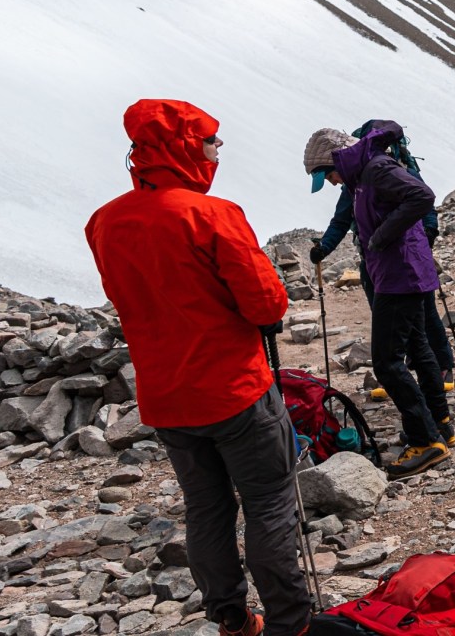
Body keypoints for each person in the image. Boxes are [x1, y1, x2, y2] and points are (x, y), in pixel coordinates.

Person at [86, 100, 307, 636]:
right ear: (183, 147)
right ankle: (291, 623)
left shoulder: (105, 222)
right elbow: (266, 306)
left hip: (167, 398)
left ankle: (231, 617)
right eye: (210, 139)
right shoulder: (213, 215)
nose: (218, 147)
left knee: (206, 507)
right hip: (235, 389)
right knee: (269, 502)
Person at [304, 124, 453, 478]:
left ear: (336, 160)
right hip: (401, 272)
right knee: (416, 345)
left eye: (327, 175)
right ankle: (439, 425)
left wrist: (383, 236)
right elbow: (346, 218)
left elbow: (422, 196)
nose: (331, 182)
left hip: (399, 275)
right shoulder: (362, 176)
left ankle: (426, 441)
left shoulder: (376, 170)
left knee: (387, 362)